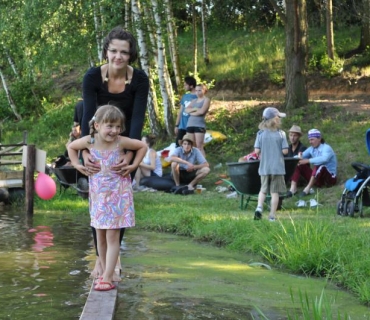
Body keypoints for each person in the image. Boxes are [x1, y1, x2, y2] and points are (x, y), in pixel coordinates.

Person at [80, 26, 149, 279]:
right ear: (106, 51)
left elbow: (137, 122)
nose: (118, 56)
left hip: (125, 141)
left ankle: (114, 256)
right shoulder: (92, 77)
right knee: (98, 205)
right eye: (113, 51)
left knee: (119, 205)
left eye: (124, 52)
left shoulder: (139, 80)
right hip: (97, 143)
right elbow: (88, 116)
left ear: (131, 55)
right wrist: (85, 153)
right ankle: (100, 259)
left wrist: (129, 159)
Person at [68, 105, 146, 291]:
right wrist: (77, 166)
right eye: (109, 126)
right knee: (100, 237)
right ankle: (104, 272)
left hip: (118, 197)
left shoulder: (120, 142)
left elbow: (142, 146)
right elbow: (71, 147)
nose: (114, 131)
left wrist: (133, 164)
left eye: (118, 127)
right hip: (98, 197)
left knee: (112, 237)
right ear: (96, 125)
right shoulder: (90, 141)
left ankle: (109, 277)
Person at [254, 107, 289, 221]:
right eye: (278, 117)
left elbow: (257, 151)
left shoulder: (260, 133)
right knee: (275, 193)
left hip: (264, 167)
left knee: (263, 190)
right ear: (275, 119)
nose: (280, 119)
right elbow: (285, 151)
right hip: (277, 168)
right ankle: (272, 216)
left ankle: (259, 207)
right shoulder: (281, 134)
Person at [296, 129, 337, 200]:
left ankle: (307, 188)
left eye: (312, 139)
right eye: (309, 140)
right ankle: (292, 188)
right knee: (299, 164)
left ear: (319, 139)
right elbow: (301, 157)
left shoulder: (326, 148)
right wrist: (291, 159)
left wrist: (308, 160)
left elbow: (324, 159)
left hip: (329, 179)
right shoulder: (311, 149)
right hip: (317, 178)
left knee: (319, 165)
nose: (310, 142)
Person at [185, 83, 210, 156]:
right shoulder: (194, 101)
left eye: (199, 90)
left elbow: (202, 111)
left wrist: (192, 112)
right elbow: (186, 110)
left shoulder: (206, 100)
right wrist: (196, 109)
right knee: (191, 145)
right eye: (196, 90)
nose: (197, 92)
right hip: (190, 124)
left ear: (204, 90)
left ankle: (204, 164)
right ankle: (194, 164)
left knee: (199, 146)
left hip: (199, 125)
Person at [285, 125, 308, 197]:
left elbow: (299, 160)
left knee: (296, 164)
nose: (292, 138)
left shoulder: (302, 148)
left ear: (299, 137)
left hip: (300, 174)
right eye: (291, 135)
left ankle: (293, 189)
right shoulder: (287, 148)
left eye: (295, 136)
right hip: (289, 173)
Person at [174, 76, 197, 147]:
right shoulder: (185, 96)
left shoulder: (198, 97)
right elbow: (180, 112)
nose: (184, 86)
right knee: (178, 144)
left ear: (191, 86)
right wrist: (177, 125)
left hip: (192, 126)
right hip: (182, 126)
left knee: (190, 145)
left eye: (186, 85)